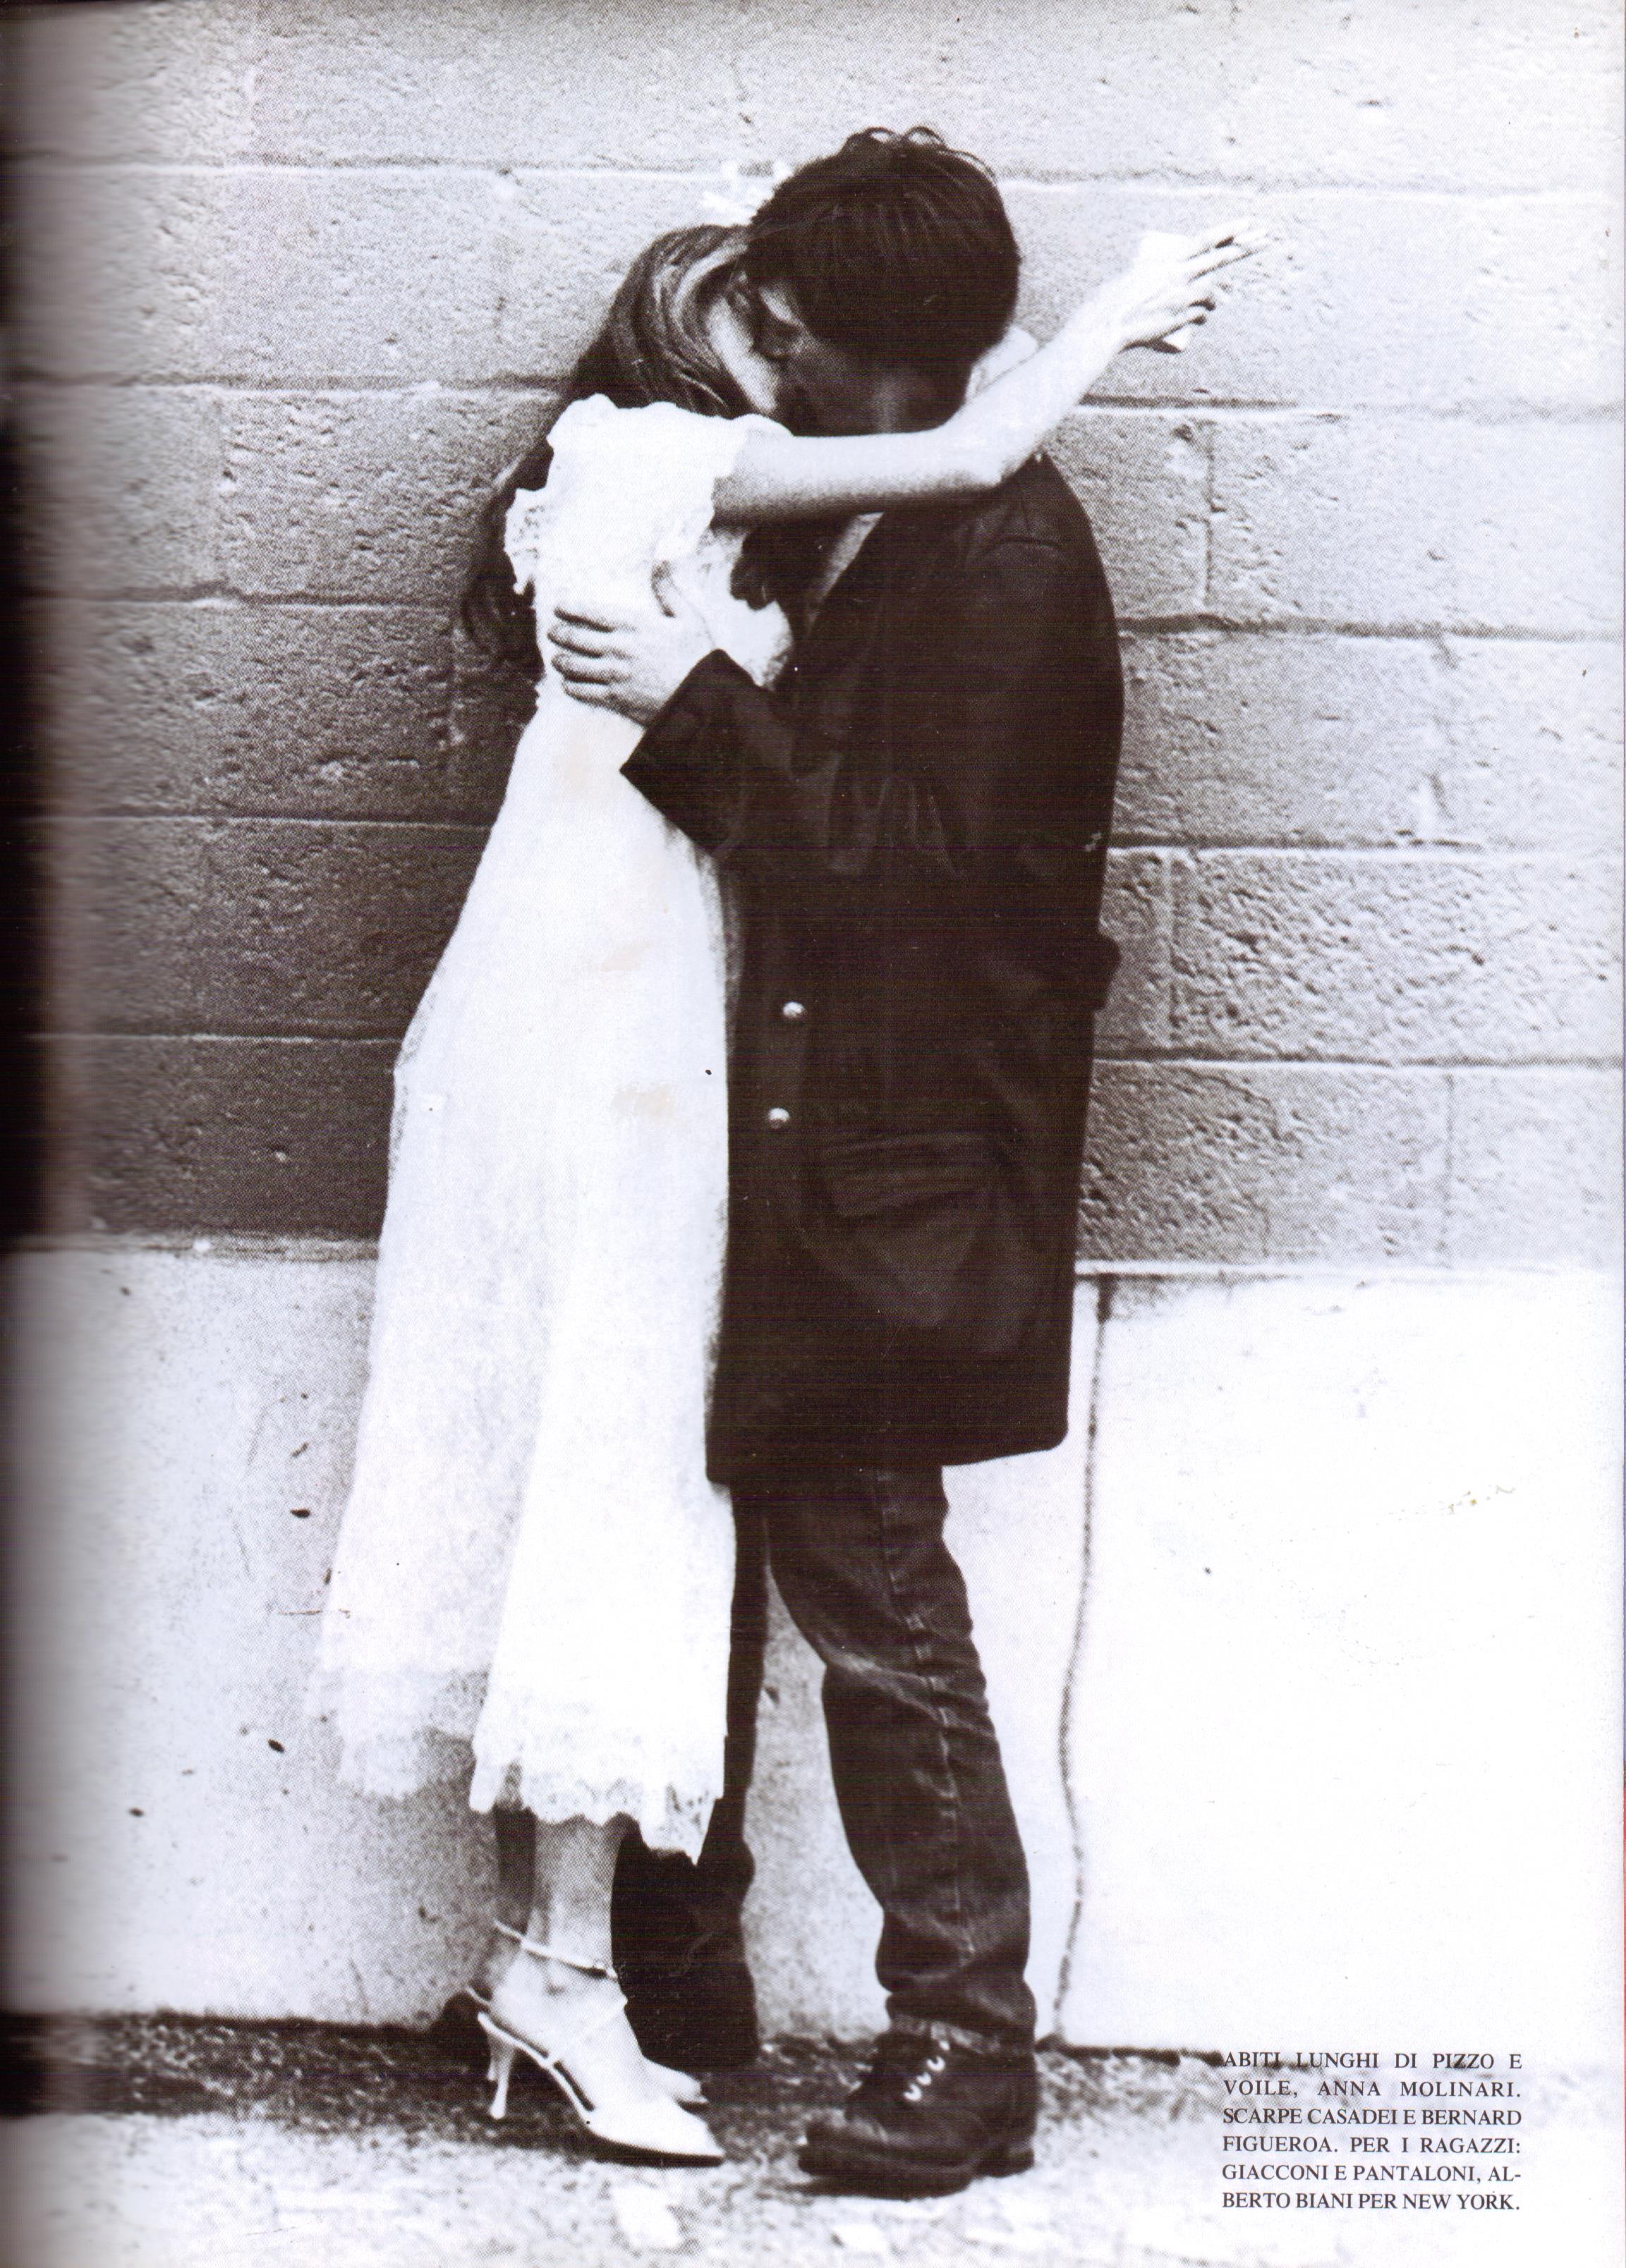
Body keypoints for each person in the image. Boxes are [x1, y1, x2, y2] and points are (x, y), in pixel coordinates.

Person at [313, 145, 1253, 2171]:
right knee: (689, 1535)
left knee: (869, 1582)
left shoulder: (1004, 552)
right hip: (745, 1110)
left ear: (891, 360)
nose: (773, 357)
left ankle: (965, 2045)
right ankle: (676, 1974)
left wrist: (688, 712)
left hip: (881, 1149)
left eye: (800, 333)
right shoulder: (814, 480)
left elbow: (931, 886)